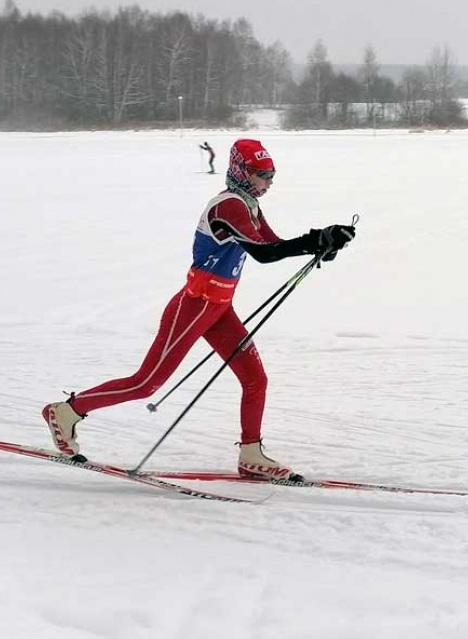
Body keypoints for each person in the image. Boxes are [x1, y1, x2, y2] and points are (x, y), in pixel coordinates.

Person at [41, 139, 356, 480]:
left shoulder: (248, 204)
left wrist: (322, 241)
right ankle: (66, 411)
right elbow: (264, 253)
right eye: (262, 174)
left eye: (272, 174)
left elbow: (274, 245)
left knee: (255, 379)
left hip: (219, 309)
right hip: (194, 306)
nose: (269, 181)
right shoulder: (230, 206)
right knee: (146, 383)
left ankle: (251, 453)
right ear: (240, 171)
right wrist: (315, 239)